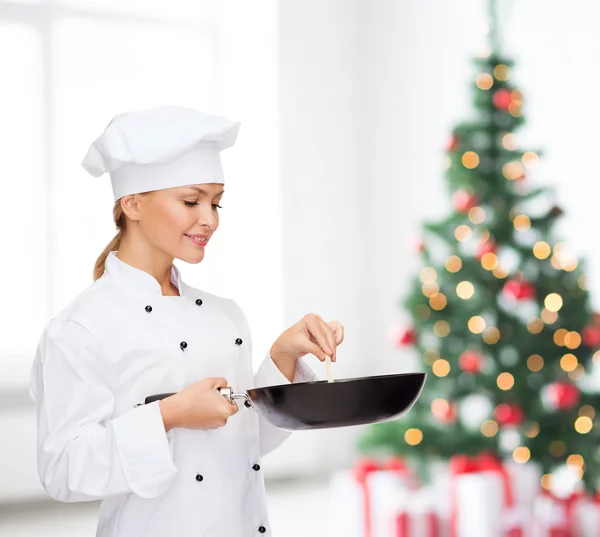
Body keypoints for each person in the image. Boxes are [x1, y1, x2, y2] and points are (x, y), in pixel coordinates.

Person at [28, 105, 344, 537]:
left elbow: (245, 444)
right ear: (133, 203)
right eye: (191, 201)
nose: (210, 219)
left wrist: (283, 355)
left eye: (216, 203)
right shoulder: (81, 328)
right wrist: (168, 415)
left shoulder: (225, 316)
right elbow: (64, 469)